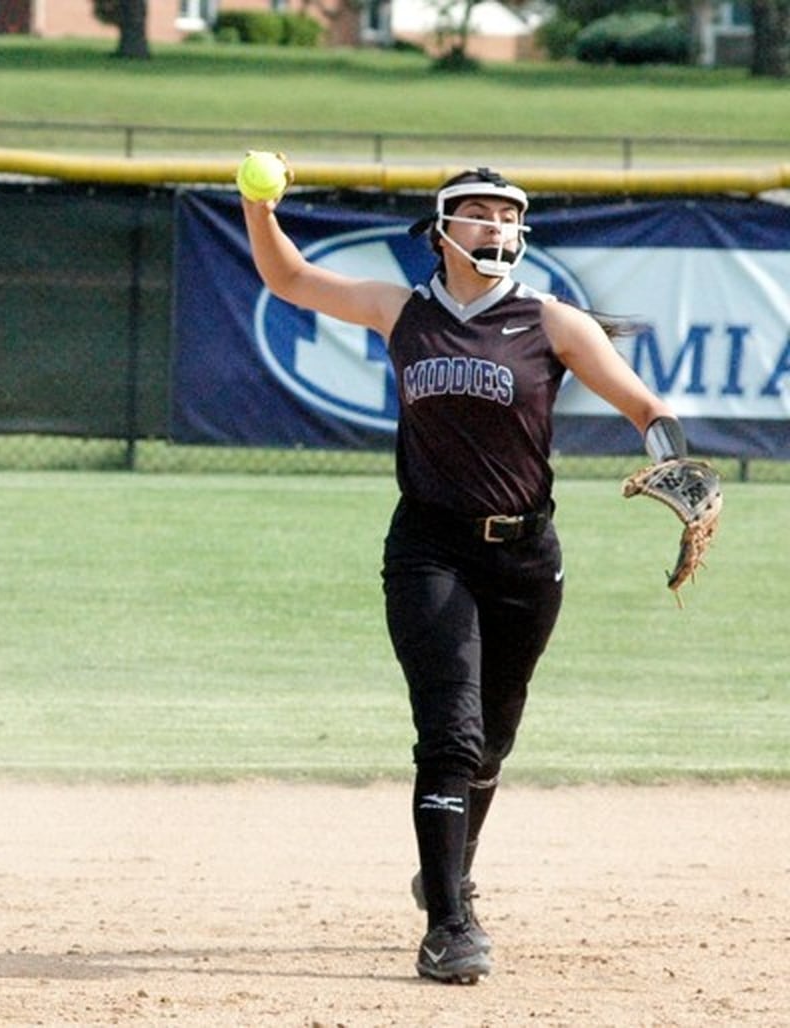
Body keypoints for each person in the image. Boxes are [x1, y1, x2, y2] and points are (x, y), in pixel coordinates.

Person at [241, 163, 691, 983]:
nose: (496, 227)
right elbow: (289, 276)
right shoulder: (400, 310)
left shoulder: (552, 322)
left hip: (526, 556)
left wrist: (678, 464)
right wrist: (257, 203)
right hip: (430, 549)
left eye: (507, 215)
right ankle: (449, 922)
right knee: (450, 730)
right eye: (477, 214)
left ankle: (445, 866)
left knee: (496, 734)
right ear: (443, 229)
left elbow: (645, 407)